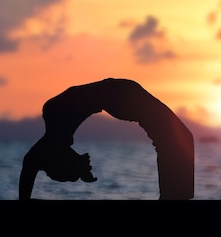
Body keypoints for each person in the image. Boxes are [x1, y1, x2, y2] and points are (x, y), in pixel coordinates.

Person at [19, 78, 194, 200]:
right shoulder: (55, 126)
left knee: (178, 140)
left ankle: (174, 196)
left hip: (121, 95)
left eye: (71, 176)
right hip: (121, 94)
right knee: (177, 140)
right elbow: (33, 162)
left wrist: (79, 166)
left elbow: (30, 163)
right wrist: (78, 166)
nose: (75, 179)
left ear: (59, 160)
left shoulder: (53, 119)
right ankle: (174, 196)